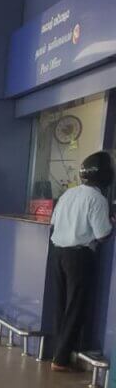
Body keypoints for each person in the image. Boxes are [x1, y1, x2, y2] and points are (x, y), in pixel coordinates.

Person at [49, 151, 114, 371]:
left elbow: (53, 222)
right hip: (79, 257)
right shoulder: (97, 199)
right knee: (76, 306)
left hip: (58, 252)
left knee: (61, 305)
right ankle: (61, 359)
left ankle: (58, 352)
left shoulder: (69, 194)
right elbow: (103, 234)